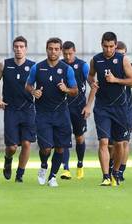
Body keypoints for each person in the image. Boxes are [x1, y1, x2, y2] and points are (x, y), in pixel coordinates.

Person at [83, 32, 132, 186]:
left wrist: (115, 80)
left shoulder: (123, 60)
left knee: (119, 144)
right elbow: (90, 75)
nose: (108, 49)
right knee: (104, 142)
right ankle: (105, 176)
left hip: (120, 108)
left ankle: (116, 172)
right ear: (101, 45)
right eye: (105, 46)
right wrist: (92, 82)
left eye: (111, 46)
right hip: (102, 108)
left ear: (115, 44)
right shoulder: (96, 60)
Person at [25, 37, 78, 187]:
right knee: (46, 148)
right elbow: (28, 85)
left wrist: (66, 89)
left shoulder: (67, 69)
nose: (53, 52)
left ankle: (52, 177)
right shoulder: (37, 67)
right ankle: (43, 166)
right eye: (50, 49)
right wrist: (34, 91)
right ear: (46, 49)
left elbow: (75, 91)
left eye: (56, 49)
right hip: (42, 113)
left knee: (60, 147)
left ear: (60, 51)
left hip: (61, 113)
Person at [0, 36, 36, 183]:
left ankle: (20, 174)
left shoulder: (33, 66)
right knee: (12, 147)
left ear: (26, 48)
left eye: (21, 47)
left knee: (26, 143)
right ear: (13, 48)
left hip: (28, 110)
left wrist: (38, 93)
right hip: (10, 110)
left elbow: (39, 86)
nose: (19, 49)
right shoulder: (4, 65)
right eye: (16, 47)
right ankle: (8, 160)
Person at [59, 41, 89, 180]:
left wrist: (88, 106)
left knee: (79, 137)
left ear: (75, 51)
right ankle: (65, 169)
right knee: (64, 138)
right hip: (63, 108)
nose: (67, 56)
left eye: (70, 54)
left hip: (79, 107)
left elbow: (94, 85)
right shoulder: (59, 66)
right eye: (65, 54)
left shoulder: (83, 66)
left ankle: (80, 164)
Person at [111, 41, 132, 182]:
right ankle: (112, 166)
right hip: (110, 108)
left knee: (124, 142)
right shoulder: (109, 67)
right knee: (111, 143)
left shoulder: (130, 66)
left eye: (123, 54)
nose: (121, 56)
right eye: (119, 54)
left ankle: (121, 170)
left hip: (126, 109)